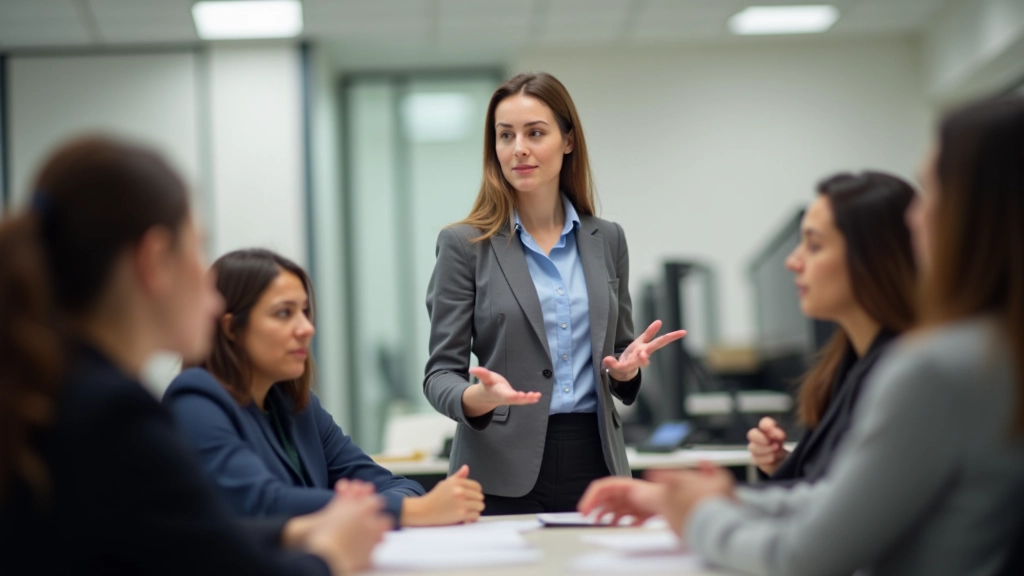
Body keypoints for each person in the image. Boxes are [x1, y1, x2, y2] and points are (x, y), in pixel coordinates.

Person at [579, 96, 1024, 576]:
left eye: (933, 192)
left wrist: (701, 515)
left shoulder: (937, 369)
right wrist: (704, 499)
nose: (917, 218)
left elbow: (808, 555)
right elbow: (838, 501)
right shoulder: (988, 355)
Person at [0, 137, 390, 575]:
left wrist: (289, 533)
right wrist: (333, 553)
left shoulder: (57, 390)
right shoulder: (112, 415)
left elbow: (186, 535)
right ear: (154, 260)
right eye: (197, 248)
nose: (212, 293)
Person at [423, 72, 685, 515]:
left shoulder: (608, 239)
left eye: (535, 132)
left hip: (596, 461)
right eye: (505, 136)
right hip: (499, 466)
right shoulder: (464, 245)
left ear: (567, 141)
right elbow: (439, 375)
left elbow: (620, 352)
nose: (519, 148)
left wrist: (625, 372)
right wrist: (476, 399)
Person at [164, 248, 485, 526]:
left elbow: (394, 485)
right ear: (232, 328)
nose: (306, 328)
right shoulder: (195, 401)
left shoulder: (297, 407)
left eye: (304, 312)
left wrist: (405, 505)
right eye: (283, 313)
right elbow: (262, 502)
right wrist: (410, 511)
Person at [747, 172, 917, 485]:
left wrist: (701, 505)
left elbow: (850, 513)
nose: (793, 262)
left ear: (872, 257)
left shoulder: (906, 375)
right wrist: (786, 466)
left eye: (814, 245)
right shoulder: (848, 361)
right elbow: (830, 489)